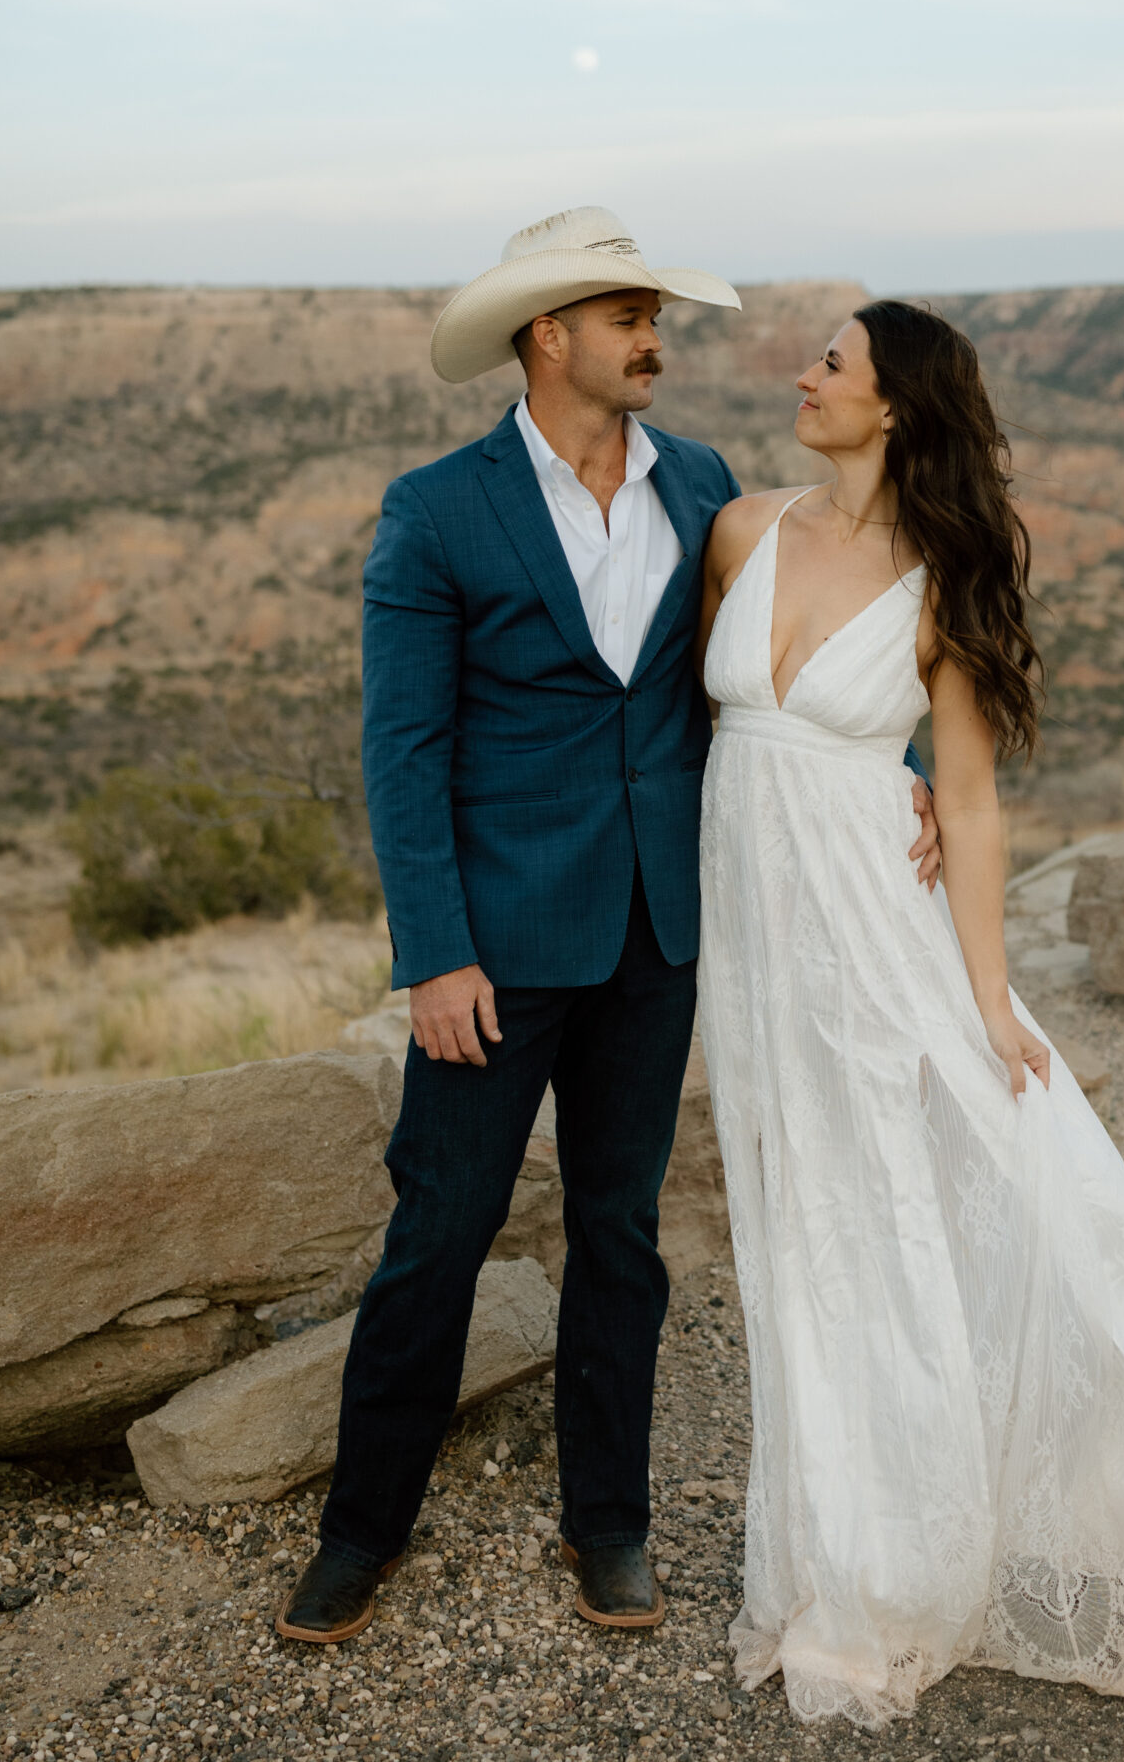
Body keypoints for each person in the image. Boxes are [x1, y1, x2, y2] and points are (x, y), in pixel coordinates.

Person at [276, 210, 940, 1647]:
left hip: (658, 932)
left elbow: (808, 648)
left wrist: (919, 777)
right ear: (547, 336)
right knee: (438, 1236)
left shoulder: (702, 485)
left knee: (621, 1237)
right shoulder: (437, 509)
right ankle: (360, 1531)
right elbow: (404, 751)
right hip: (494, 953)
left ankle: (611, 1525)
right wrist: (435, 952)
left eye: (657, 316)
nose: (654, 340)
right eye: (625, 316)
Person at [695, 300, 1124, 1727]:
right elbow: (695, 735)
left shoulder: (942, 578)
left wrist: (993, 997)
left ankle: (898, 1569)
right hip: (753, 942)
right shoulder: (740, 532)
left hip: (873, 936)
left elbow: (975, 797)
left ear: (894, 406)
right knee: (793, 1235)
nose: (803, 376)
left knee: (887, 1221)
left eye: (833, 362)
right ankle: (829, 1542)